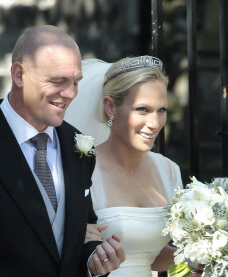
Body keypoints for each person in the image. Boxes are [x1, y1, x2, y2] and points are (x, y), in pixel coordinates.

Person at [0, 25, 125, 277]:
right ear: (19, 75)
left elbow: (84, 230)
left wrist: (94, 258)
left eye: (75, 83)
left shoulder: (79, 146)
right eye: (58, 81)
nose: (70, 94)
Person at [65, 56, 203, 277]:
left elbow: (148, 254)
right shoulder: (84, 168)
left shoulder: (168, 170)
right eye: (142, 109)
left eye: (161, 110)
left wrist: (196, 259)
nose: (155, 123)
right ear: (111, 107)